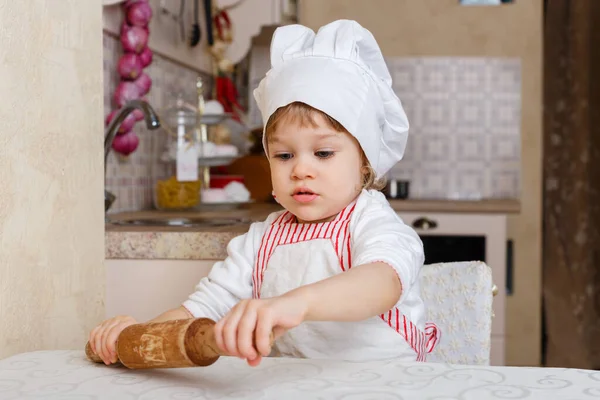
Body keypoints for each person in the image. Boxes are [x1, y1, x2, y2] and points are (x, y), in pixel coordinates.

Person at [89, 19, 440, 367]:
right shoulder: (261, 241)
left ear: (365, 162)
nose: (301, 169)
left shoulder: (371, 220)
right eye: (284, 155)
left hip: (387, 382)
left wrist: (297, 303)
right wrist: (134, 338)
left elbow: (382, 282)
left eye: (323, 153)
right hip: (297, 386)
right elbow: (200, 310)